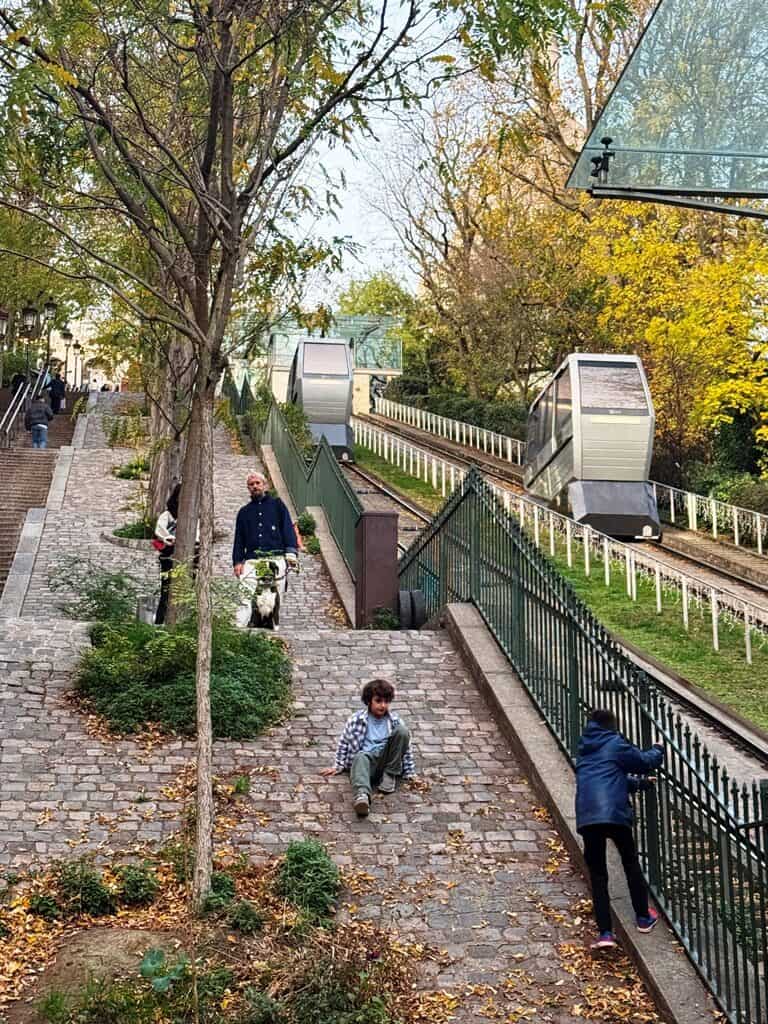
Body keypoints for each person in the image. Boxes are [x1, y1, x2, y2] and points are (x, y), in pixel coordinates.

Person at [575, 708, 664, 950]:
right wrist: (659, 748)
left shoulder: (584, 751)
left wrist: (639, 785)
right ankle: (643, 916)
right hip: (614, 814)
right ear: (611, 726)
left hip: (588, 817)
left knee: (598, 875)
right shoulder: (614, 742)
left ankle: (605, 933)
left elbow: (605, 776)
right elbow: (645, 762)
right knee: (630, 863)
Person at [321, 679, 416, 817]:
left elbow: (405, 749)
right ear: (369, 701)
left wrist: (410, 773)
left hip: (386, 760)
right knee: (360, 757)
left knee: (402, 731)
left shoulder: (395, 721)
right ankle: (362, 797)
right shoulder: (356, 720)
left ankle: (389, 775)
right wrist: (338, 765)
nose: (382, 705)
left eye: (386, 702)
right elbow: (344, 742)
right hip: (366, 762)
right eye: (378, 701)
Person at [232, 472, 298, 628]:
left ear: (264, 484)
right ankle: (239, 628)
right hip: (254, 560)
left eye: (257, 483)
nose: (255, 486)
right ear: (248, 488)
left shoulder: (278, 506)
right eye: (251, 484)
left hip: (275, 559)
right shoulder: (244, 512)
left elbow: (287, 529)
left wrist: (291, 553)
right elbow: (239, 539)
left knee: (275, 595)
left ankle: (273, 629)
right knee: (246, 592)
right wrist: (237, 561)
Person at [152, 483, 181, 625]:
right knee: (167, 591)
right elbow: (160, 531)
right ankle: (160, 622)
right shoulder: (168, 515)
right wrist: (169, 538)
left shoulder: (196, 517)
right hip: (169, 557)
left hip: (190, 559)